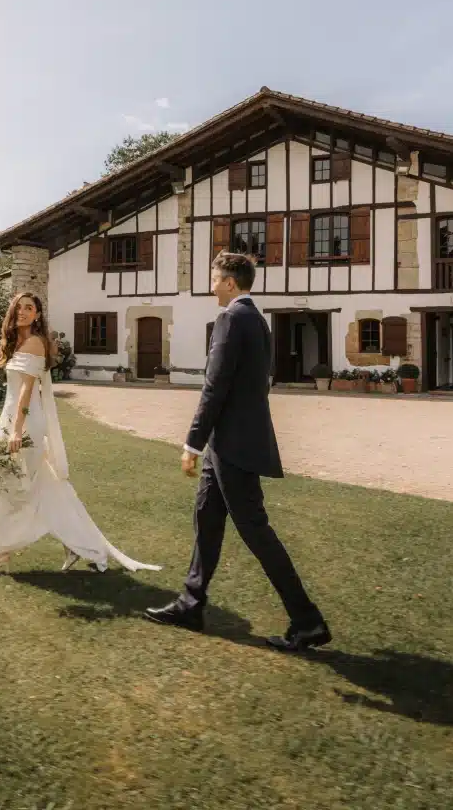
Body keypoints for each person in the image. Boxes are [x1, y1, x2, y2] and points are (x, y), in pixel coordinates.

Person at [144, 252, 330, 652]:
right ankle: (190, 604)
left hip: (233, 446)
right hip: (229, 444)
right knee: (206, 518)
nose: (211, 285)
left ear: (229, 282)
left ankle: (307, 620)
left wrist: (192, 442)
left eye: (214, 279)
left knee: (256, 531)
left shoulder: (231, 318)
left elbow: (216, 387)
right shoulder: (258, 321)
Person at [0, 292, 161, 576]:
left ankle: (0, 554)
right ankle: (83, 546)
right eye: (18, 307)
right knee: (44, 489)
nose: (23, 312)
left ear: (37, 315)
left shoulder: (35, 343)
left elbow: (26, 390)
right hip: (10, 420)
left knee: (7, 487)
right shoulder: (16, 342)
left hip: (23, 424)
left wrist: (15, 430)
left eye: (29, 308)